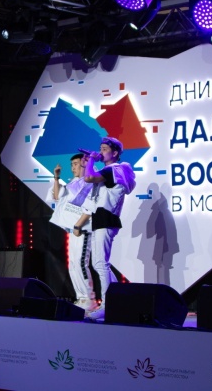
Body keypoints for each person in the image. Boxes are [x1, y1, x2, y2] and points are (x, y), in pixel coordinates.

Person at [73, 137, 136, 320]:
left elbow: (89, 178)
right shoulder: (111, 171)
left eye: (104, 149)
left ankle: (107, 306)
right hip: (101, 219)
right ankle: (117, 301)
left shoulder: (113, 170)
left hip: (106, 219)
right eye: (99, 148)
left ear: (115, 153)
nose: (100, 152)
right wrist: (88, 163)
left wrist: (92, 160)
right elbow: (88, 181)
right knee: (99, 264)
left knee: (101, 264)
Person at [46, 154, 97, 314]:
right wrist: (56, 178)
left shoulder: (90, 183)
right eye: (72, 164)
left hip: (83, 228)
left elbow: (90, 207)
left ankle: (89, 299)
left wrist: (78, 225)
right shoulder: (73, 183)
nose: (73, 167)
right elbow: (56, 196)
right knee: (73, 264)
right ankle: (81, 298)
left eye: (75, 164)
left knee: (81, 263)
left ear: (84, 164)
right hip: (73, 229)